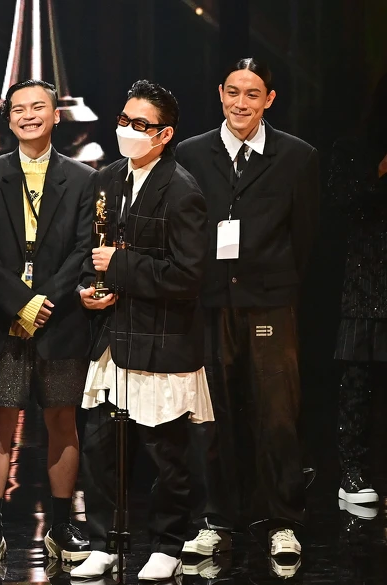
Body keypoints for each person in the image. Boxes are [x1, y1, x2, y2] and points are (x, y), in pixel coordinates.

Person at [175, 58, 319, 559]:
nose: (241, 103)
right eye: (233, 92)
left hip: (270, 303)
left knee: (277, 414)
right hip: (209, 302)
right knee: (212, 415)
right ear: (220, 93)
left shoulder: (297, 156)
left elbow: (305, 238)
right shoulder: (191, 153)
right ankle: (216, 519)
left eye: (252, 94)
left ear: (269, 100)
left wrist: (276, 285)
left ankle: (282, 520)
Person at [72, 80, 211, 582]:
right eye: (123, 120)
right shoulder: (105, 179)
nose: (127, 130)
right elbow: (91, 252)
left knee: (165, 453)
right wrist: (88, 289)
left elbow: (189, 276)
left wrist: (122, 266)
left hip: (162, 341)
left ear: (164, 134)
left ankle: (167, 544)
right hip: (112, 339)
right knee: (99, 449)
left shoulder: (183, 190)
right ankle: (104, 542)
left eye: (140, 124)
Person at [0, 79, 95, 568]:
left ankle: (62, 525)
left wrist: (45, 301)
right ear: (9, 119)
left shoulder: (82, 178)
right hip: (4, 319)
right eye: (18, 109)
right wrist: (20, 303)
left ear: (56, 115)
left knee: (62, 418)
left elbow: (84, 250)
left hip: (60, 320)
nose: (28, 115)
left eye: (38, 107)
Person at [329, 73, 387, 513]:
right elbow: (341, 203)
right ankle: (352, 473)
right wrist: (379, 174)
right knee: (358, 383)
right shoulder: (353, 148)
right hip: (367, 281)